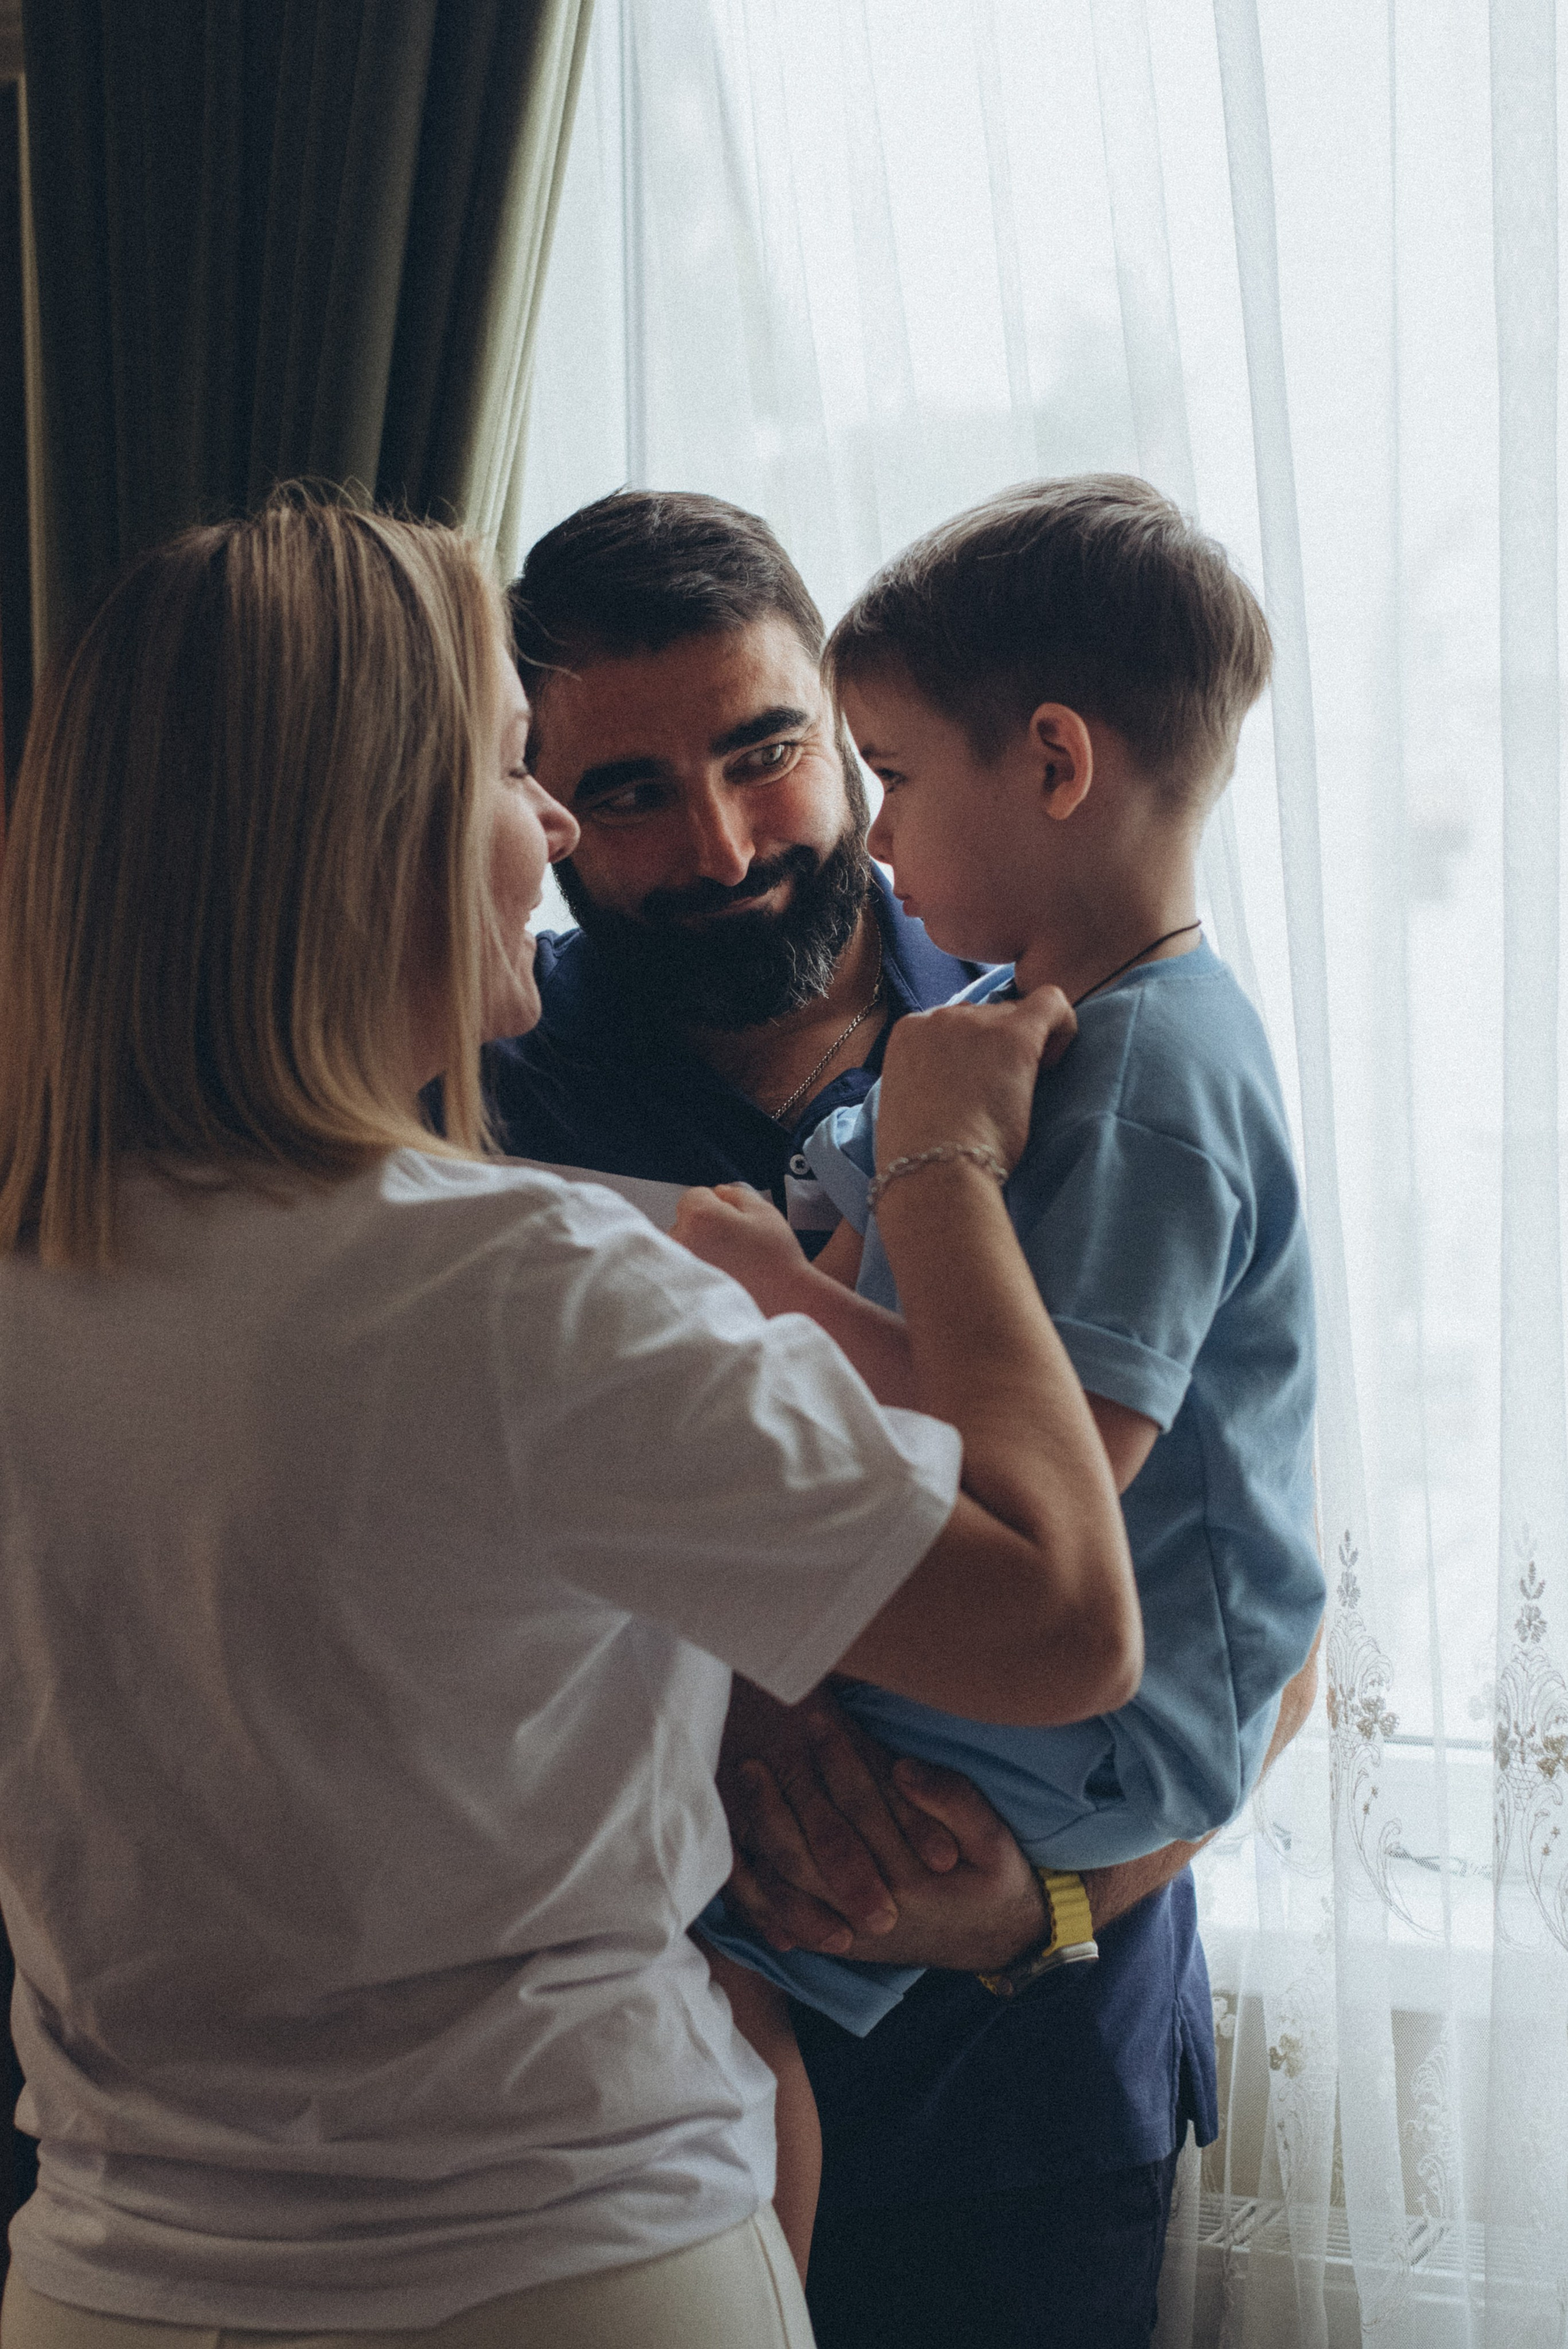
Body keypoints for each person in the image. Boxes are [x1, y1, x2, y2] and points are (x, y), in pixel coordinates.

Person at [0, 496, 1143, 2349]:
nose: (538, 823)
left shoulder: (39, 1275)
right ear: (354, 838)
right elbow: (1075, 1614)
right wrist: (937, 1162)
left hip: (113, 2277)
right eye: (512, 770)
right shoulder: (529, 1278)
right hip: (562, 2262)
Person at [492, 488, 1319, 2348]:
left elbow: (1253, 1596)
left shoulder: (1076, 1029)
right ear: (538, 806)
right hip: (615, 2079)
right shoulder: (468, 1092)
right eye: (624, 794)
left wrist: (1049, 1906)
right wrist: (762, 1672)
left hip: (1041, 2076)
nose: (718, 843)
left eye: (771, 753)